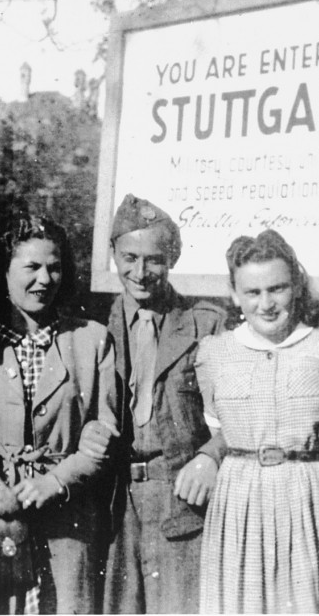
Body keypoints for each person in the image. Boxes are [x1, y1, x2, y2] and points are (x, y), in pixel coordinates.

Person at [0, 213, 119, 614]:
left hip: (69, 521)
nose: (45, 280)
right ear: (4, 271)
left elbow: (103, 433)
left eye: (54, 267)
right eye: (31, 267)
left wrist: (56, 481)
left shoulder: (92, 340)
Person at [196, 229, 319, 613]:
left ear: (296, 287)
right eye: (253, 292)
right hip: (240, 502)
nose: (266, 304)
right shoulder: (214, 354)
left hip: (314, 500)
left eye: (277, 288)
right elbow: (216, 429)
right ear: (235, 294)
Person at [100, 194, 227, 614]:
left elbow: (242, 414)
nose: (140, 272)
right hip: (112, 506)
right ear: (113, 253)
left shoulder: (206, 325)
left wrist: (212, 455)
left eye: (154, 259)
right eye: (129, 257)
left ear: (172, 258)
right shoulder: (91, 328)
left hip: (181, 502)